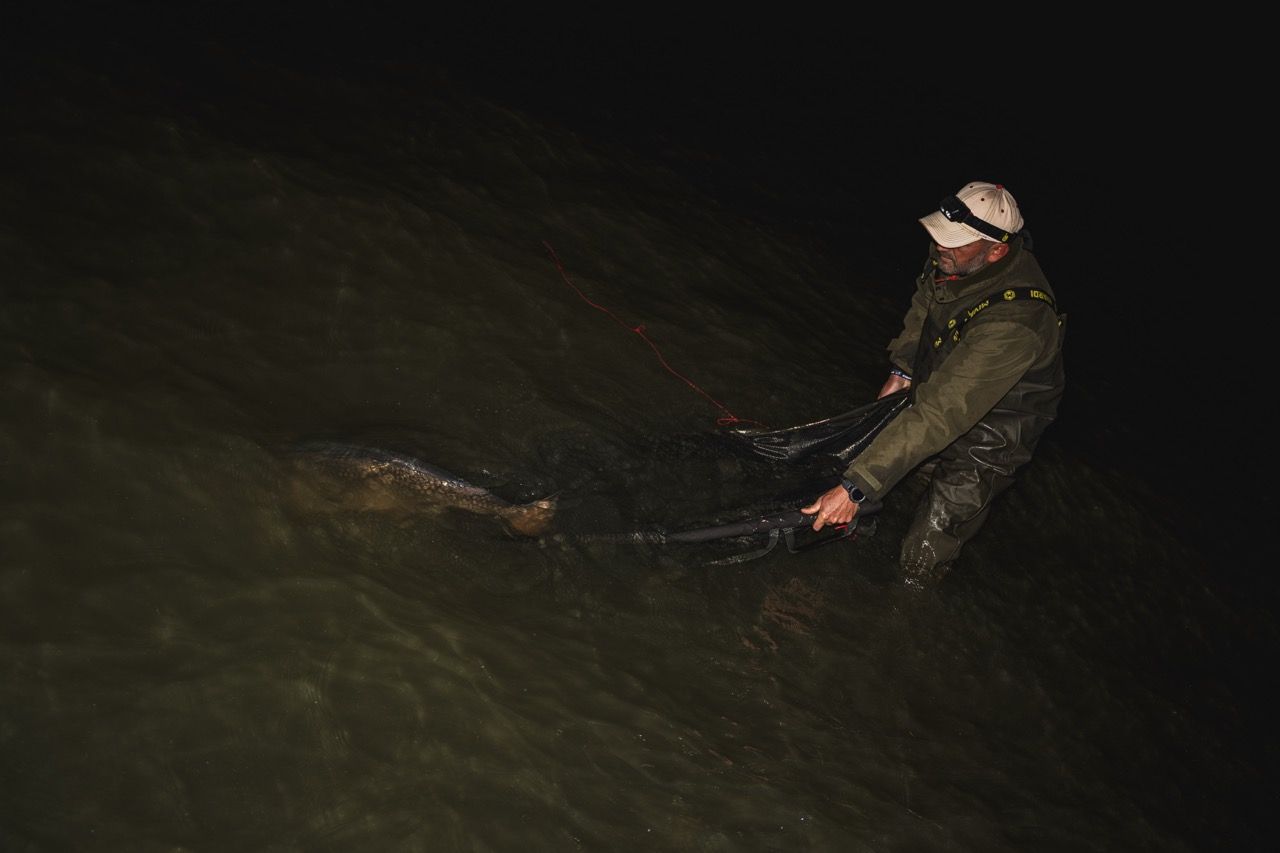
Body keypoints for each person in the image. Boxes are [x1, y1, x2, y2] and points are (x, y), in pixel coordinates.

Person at [801, 181, 1066, 588]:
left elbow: (942, 413)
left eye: (954, 241)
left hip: (990, 435)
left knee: (922, 553)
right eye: (941, 234)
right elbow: (926, 304)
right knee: (896, 481)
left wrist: (855, 489)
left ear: (996, 251)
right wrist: (903, 370)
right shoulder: (955, 255)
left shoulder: (1017, 323)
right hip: (943, 389)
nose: (940, 245)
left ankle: (908, 608)